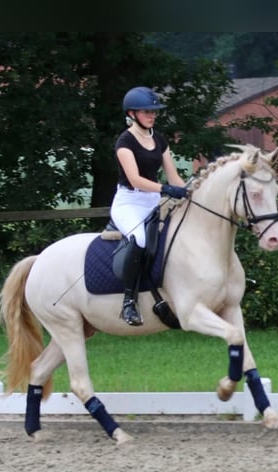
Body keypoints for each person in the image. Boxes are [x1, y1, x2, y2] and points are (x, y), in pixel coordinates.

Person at [111, 86, 188, 326]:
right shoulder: (124, 141)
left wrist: (189, 193)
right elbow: (135, 179)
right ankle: (128, 303)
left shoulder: (159, 139)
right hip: (130, 201)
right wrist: (165, 189)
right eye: (147, 111)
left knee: (181, 232)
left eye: (154, 111)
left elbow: (173, 176)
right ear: (132, 114)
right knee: (140, 239)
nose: (152, 115)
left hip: (153, 199)